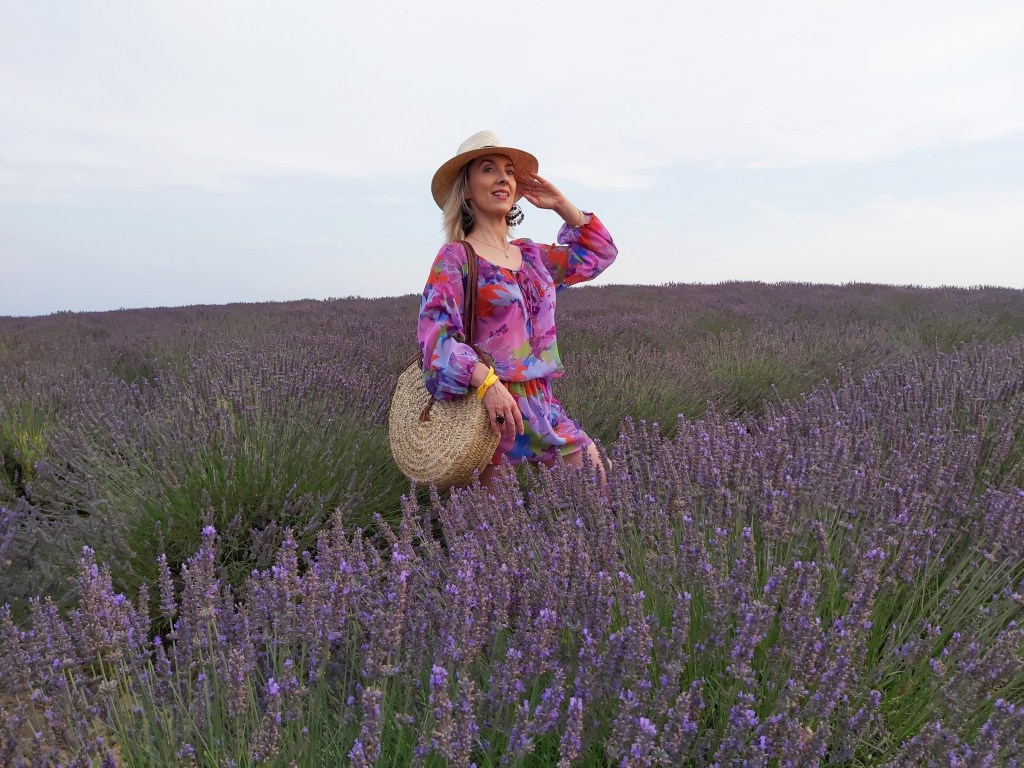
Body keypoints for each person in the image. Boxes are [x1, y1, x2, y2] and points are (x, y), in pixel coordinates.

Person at [417, 130, 617, 491]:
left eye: (509, 172)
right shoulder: (456, 258)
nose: (503, 178)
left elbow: (598, 254)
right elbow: (436, 340)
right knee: (489, 537)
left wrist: (560, 204)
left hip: (543, 404)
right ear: (466, 189)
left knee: (598, 486)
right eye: (489, 169)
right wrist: (487, 383)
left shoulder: (532, 256)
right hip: (489, 412)